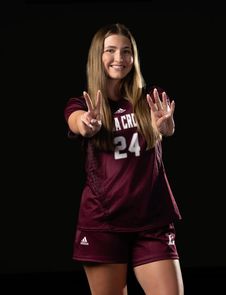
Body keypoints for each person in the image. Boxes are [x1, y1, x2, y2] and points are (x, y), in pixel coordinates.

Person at [64, 23, 184, 295]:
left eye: (126, 51)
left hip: (151, 220)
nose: (119, 58)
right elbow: (77, 122)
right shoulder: (83, 104)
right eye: (111, 50)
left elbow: (166, 126)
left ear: (134, 57)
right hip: (104, 222)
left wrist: (166, 128)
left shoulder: (147, 100)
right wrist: (87, 124)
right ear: (98, 56)